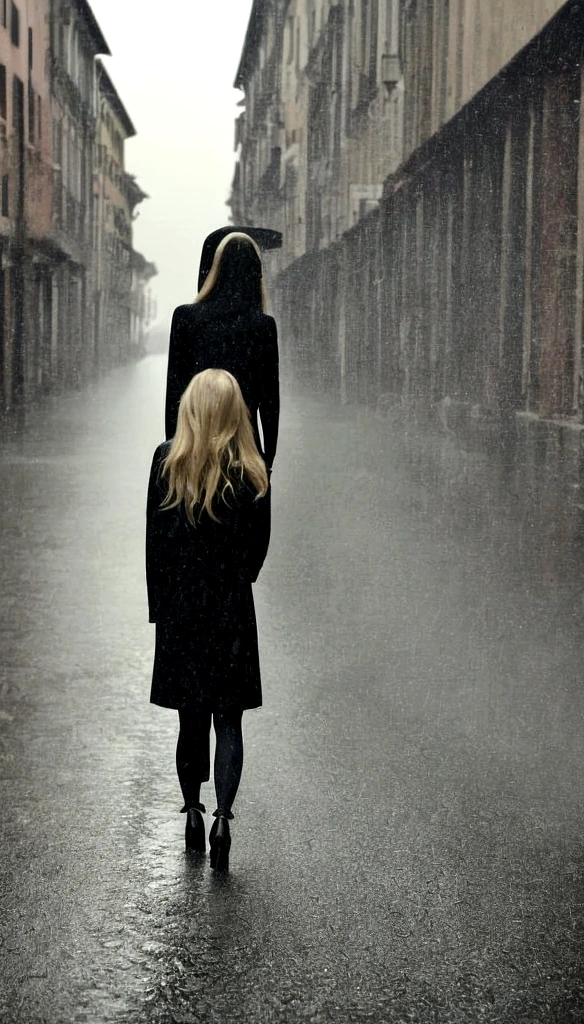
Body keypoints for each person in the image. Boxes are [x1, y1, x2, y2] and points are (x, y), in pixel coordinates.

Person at [146, 369, 271, 871]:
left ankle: (193, 812)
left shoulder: (166, 461)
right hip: (230, 608)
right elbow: (258, 548)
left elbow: (155, 546)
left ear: (191, 409)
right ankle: (223, 817)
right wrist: (236, 578)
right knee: (230, 721)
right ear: (234, 411)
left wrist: (161, 610)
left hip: (182, 610)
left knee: (190, 719)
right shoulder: (250, 468)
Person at [164, 232, 280, 480]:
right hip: (246, 453)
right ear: (256, 274)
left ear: (214, 269)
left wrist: (173, 448)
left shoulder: (185, 318)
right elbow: (270, 404)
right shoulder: (263, 326)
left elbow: (175, 394)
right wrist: (267, 461)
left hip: (193, 446)